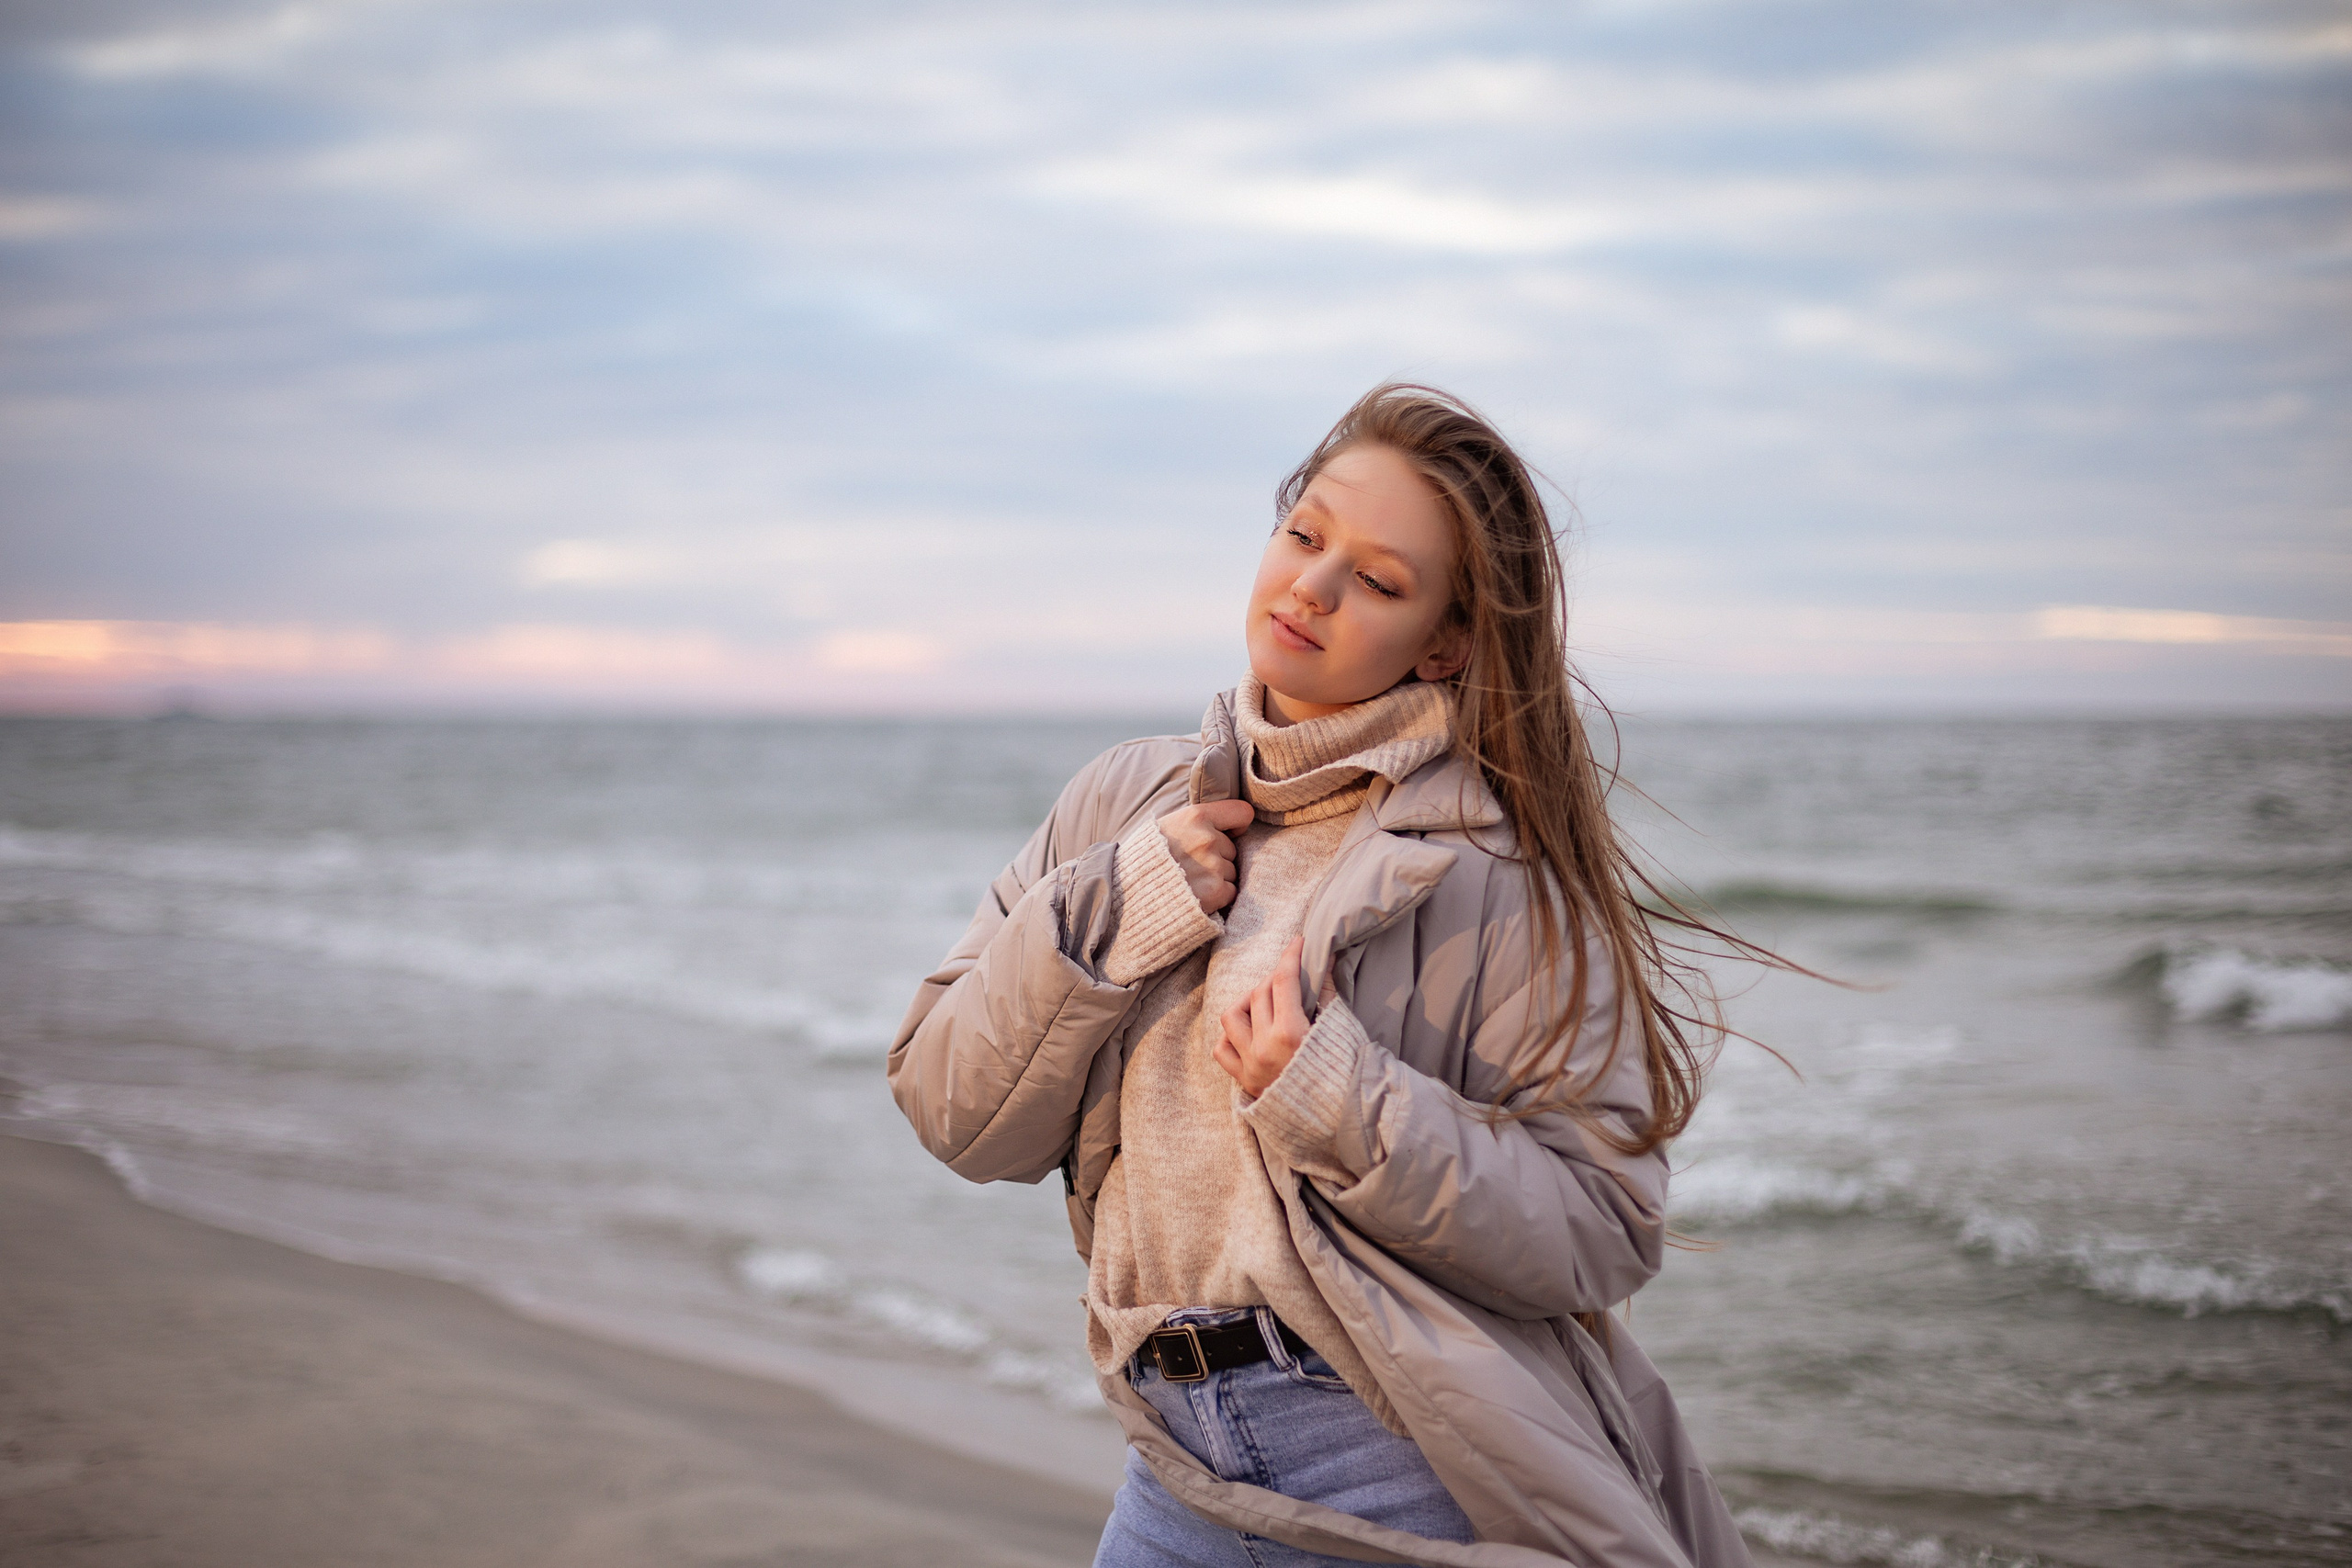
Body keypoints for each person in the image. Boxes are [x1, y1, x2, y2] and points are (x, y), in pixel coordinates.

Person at [888, 384, 1755, 1567]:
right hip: (1172, 1462)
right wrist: (1110, 909)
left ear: (1447, 640)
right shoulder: (1121, 804)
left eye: (1381, 581)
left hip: (1390, 1470)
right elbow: (953, 1111)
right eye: (1305, 537)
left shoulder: (1497, 876)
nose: (1313, 586)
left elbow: (1602, 1231)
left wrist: (1336, 1098)